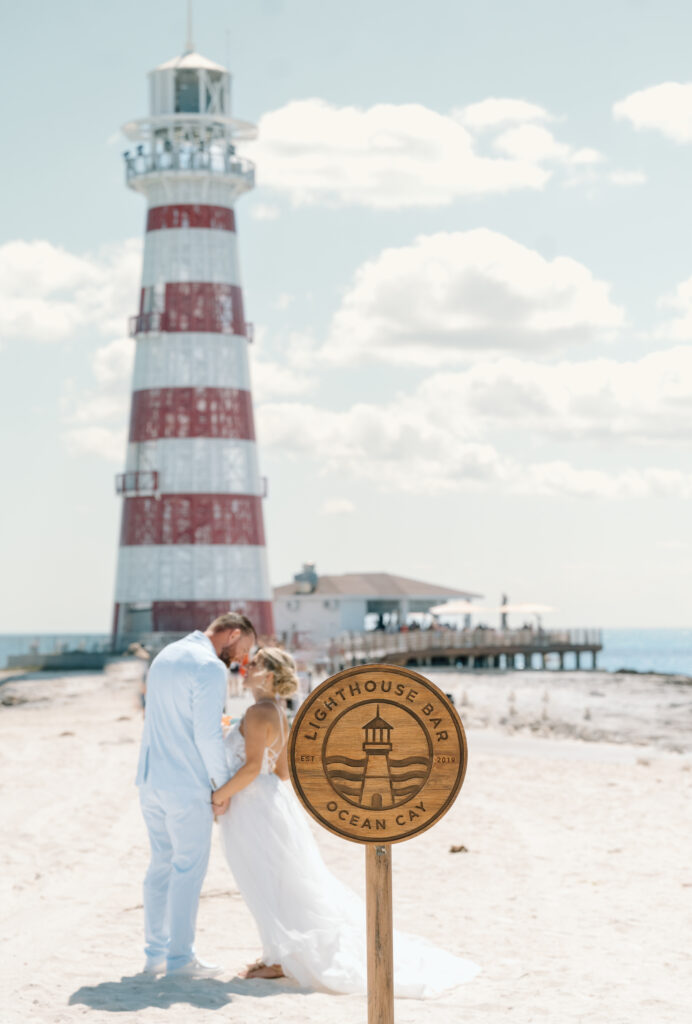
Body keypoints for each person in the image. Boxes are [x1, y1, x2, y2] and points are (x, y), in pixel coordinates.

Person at [212, 647, 480, 996]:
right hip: (273, 804)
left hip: (253, 806)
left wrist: (220, 795)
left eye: (256, 664)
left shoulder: (255, 712)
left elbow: (251, 768)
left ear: (269, 675)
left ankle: (279, 958)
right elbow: (280, 772)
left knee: (262, 879)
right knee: (282, 878)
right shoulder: (278, 713)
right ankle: (277, 953)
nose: (246, 668)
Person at [136, 612, 256, 978]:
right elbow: (206, 735)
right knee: (187, 869)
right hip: (185, 783)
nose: (240, 661)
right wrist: (221, 787)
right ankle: (180, 959)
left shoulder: (166, 655)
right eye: (243, 650)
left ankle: (156, 953)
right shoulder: (208, 666)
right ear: (232, 633)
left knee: (160, 865)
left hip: (150, 777)